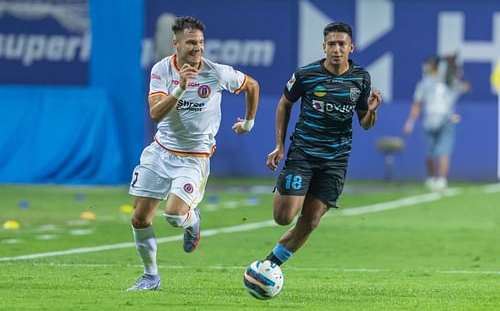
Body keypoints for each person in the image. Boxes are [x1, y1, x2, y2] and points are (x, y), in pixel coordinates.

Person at [127, 16, 260, 291]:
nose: (197, 48)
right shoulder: (162, 70)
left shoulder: (216, 72)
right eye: (191, 43)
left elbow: (252, 86)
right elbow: (155, 114)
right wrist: (179, 88)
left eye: (200, 42)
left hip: (194, 157)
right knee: (139, 218)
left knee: (174, 216)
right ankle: (150, 277)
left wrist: (248, 122)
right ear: (175, 43)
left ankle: (193, 221)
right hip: (160, 151)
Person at [263, 22, 381, 267]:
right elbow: (285, 103)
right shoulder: (306, 75)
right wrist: (279, 145)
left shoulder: (360, 78)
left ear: (351, 47)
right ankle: (269, 263)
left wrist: (371, 111)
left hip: (335, 160)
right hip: (303, 153)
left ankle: (269, 266)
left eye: (341, 44)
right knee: (283, 217)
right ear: (323, 47)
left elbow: (365, 123)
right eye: (331, 44)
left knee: (312, 220)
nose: (336, 49)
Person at [403, 55, 470, 190]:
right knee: (433, 152)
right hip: (435, 118)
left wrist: (410, 123)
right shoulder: (441, 81)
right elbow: (466, 86)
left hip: (440, 118)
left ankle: (437, 179)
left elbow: (417, 104)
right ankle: (437, 179)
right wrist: (456, 69)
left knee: (439, 151)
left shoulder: (438, 82)